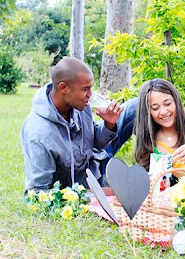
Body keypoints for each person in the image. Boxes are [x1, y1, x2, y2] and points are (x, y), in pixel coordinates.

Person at [20, 57, 134, 193]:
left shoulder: (79, 104)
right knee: (127, 193)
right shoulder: (39, 131)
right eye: (86, 89)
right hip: (77, 190)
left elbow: (95, 143)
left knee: (136, 105)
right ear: (64, 88)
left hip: (95, 169)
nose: (90, 95)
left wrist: (109, 124)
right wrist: (91, 195)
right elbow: (37, 193)